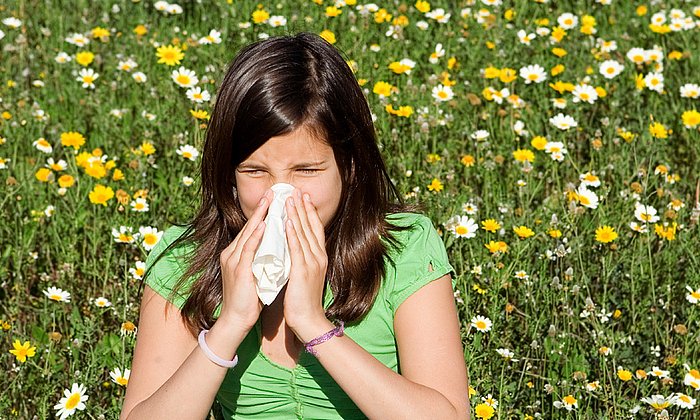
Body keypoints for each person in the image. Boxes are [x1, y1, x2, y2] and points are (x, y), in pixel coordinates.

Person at [121, 32, 469, 419]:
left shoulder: (404, 249)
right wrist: (230, 325)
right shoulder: (185, 262)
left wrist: (313, 324)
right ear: (229, 175)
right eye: (255, 171)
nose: (280, 195)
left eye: (306, 170)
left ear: (350, 165)